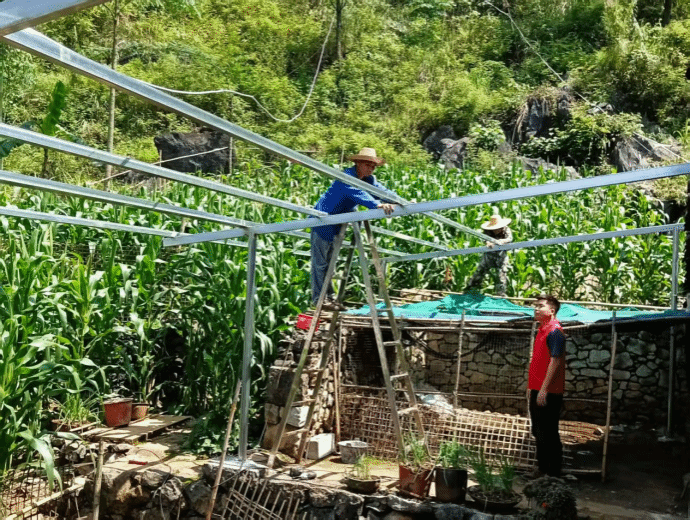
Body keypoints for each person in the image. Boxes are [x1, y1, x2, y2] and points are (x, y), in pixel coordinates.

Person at [310, 147, 398, 310]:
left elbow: (382, 191)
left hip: (338, 224)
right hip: (322, 221)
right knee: (320, 263)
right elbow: (358, 193)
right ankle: (318, 299)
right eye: (368, 165)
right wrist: (376, 204)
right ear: (358, 163)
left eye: (373, 166)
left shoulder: (368, 180)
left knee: (330, 265)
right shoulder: (347, 177)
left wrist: (401, 201)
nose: (371, 169)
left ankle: (328, 298)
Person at [527, 294, 566, 478]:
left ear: (551, 310)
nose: (536, 309)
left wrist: (543, 389)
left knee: (549, 431)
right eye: (535, 306)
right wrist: (532, 387)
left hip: (549, 391)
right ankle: (542, 469)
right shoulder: (542, 330)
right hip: (537, 388)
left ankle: (553, 472)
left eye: (540, 306)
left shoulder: (555, 331)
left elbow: (555, 361)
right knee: (538, 430)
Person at [465, 213, 513, 297]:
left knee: (501, 274)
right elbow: (485, 238)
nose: (496, 230)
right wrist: (488, 242)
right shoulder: (487, 231)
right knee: (479, 271)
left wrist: (501, 241)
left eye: (497, 228)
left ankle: (500, 294)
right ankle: (470, 290)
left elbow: (509, 239)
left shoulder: (506, 229)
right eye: (494, 229)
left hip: (501, 255)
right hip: (489, 254)